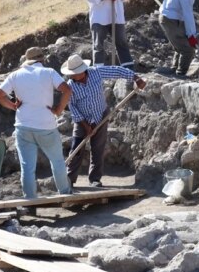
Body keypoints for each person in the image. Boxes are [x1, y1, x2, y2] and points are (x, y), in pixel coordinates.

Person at [0, 47, 72, 199]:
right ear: (42, 59)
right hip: (46, 124)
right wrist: (58, 110)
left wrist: (13, 106)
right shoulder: (49, 72)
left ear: (27, 60)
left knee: (27, 167)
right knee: (57, 161)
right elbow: (67, 90)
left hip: (23, 126)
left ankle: (30, 200)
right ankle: (65, 194)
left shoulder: (15, 75)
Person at [60, 54, 146, 187]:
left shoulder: (96, 72)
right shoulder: (70, 86)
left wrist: (136, 78)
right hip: (82, 120)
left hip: (101, 115)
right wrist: (86, 125)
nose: (71, 76)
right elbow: (73, 107)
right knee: (77, 148)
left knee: (98, 148)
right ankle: (69, 179)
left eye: (73, 74)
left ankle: (95, 179)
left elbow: (117, 70)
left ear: (82, 71)